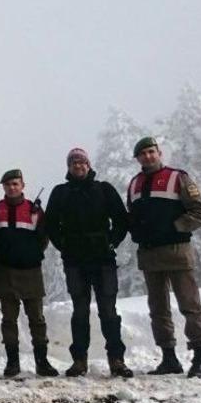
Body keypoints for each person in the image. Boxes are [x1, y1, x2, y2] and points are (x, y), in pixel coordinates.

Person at [45, 148, 133, 378]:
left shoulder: (104, 189)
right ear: (68, 167)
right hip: (75, 262)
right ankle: (79, 360)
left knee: (109, 312)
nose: (78, 166)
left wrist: (111, 242)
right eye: (74, 162)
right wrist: (64, 246)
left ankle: (117, 359)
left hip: (103, 260)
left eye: (82, 162)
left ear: (89, 164)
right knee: (80, 312)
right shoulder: (60, 192)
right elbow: (50, 224)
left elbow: (121, 219)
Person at [127, 137, 201, 378]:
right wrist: (134, 229)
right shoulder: (134, 184)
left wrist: (175, 227)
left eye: (151, 152)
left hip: (177, 252)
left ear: (159, 153)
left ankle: (199, 360)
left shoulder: (178, 178)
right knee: (158, 309)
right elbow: (132, 215)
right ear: (137, 158)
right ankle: (169, 359)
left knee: (190, 305)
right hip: (149, 255)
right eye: (142, 154)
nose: (147, 156)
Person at [0, 170, 58, 378]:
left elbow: (43, 237)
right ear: (3, 187)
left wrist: (31, 254)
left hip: (31, 270)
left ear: (22, 185)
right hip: (5, 271)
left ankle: (42, 362)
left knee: (37, 319)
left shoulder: (35, 211)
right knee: (9, 320)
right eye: (8, 184)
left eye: (15, 184)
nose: (12, 187)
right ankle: (12, 363)